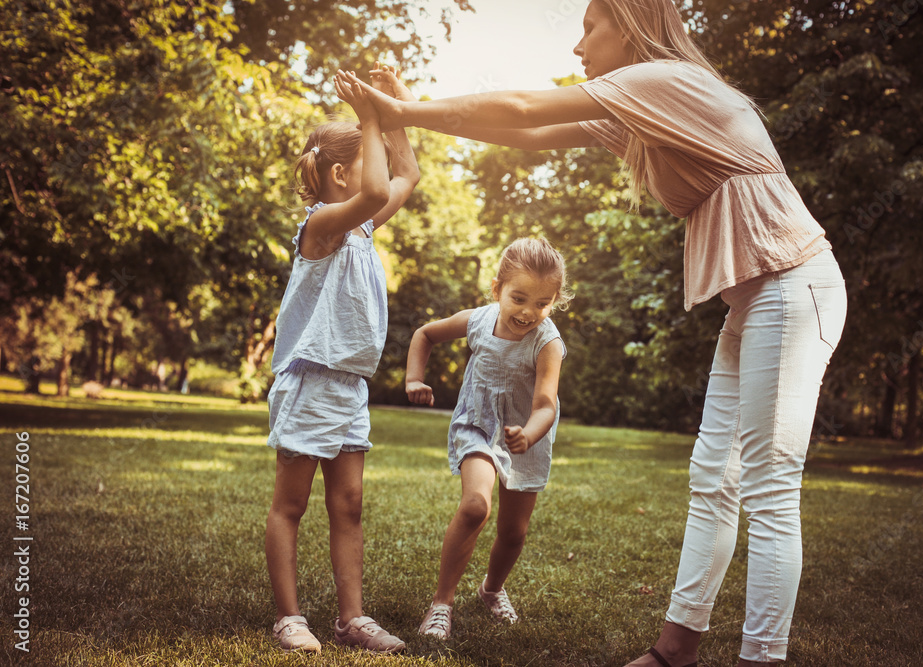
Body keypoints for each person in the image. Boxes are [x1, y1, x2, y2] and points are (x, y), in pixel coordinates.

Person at [337, 0, 848, 664]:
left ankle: (762, 656)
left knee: (769, 486)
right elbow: (523, 133)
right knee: (711, 479)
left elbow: (523, 108)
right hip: (758, 299)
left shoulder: (666, 81)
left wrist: (403, 112)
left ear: (631, 24)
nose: (578, 47)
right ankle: (673, 651)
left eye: (589, 28)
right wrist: (412, 110)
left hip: (793, 285)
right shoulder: (639, 111)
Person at [264, 64, 420, 655]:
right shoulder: (323, 228)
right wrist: (371, 118)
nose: (375, 167)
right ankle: (289, 618)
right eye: (366, 154)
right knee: (291, 504)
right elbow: (380, 190)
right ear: (338, 175)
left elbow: (407, 174)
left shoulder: (362, 231)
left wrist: (395, 113)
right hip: (310, 382)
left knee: (348, 505)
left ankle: (352, 619)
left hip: (349, 386)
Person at [404, 237, 571, 640]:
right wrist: (413, 378)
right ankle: (441, 604)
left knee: (514, 532)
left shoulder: (548, 344)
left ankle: (491, 589)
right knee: (476, 505)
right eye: (519, 298)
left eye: (542, 303)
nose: (529, 312)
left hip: (525, 437)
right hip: (477, 424)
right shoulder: (478, 319)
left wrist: (528, 434)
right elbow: (425, 334)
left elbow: (546, 404)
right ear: (497, 289)